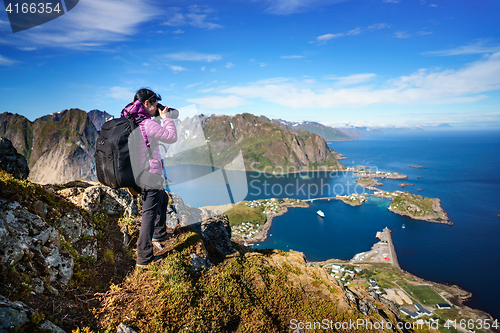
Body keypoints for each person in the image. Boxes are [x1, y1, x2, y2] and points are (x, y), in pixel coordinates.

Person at [121, 88, 178, 267]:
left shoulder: (132, 121)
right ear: (147, 104)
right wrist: (167, 119)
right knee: (148, 215)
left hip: (137, 173)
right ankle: (144, 257)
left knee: (162, 198)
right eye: (154, 104)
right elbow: (171, 137)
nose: (156, 107)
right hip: (150, 174)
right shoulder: (147, 124)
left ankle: (159, 232)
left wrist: (159, 118)